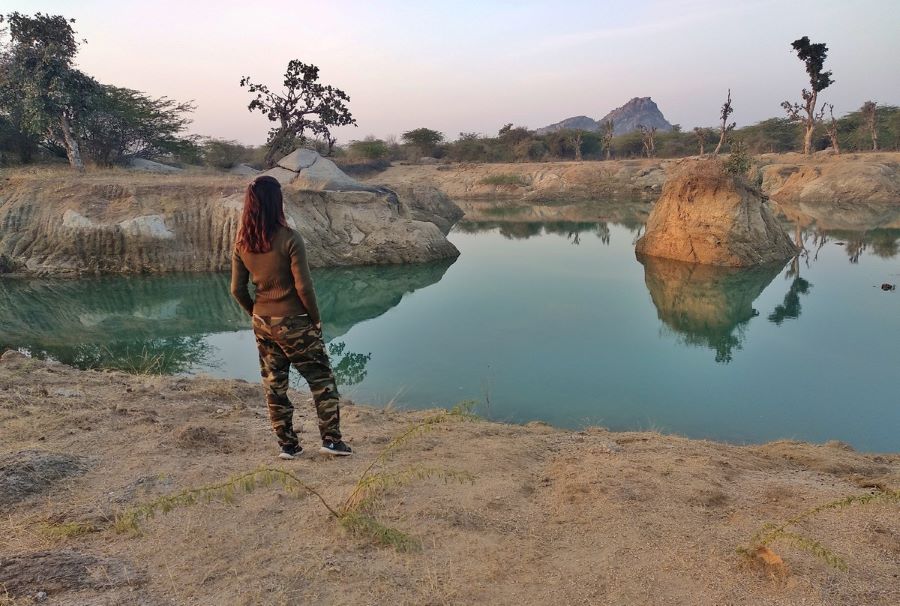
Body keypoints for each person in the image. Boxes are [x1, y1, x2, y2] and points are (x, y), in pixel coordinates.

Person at [230, 175, 351, 459]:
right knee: (322, 379)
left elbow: (236, 289)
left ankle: (288, 446)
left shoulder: (243, 243)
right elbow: (303, 287)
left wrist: (256, 313)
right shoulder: (289, 238)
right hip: (295, 321)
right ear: (277, 202)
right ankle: (331, 441)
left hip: (262, 322)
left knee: (275, 384)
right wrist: (315, 319)